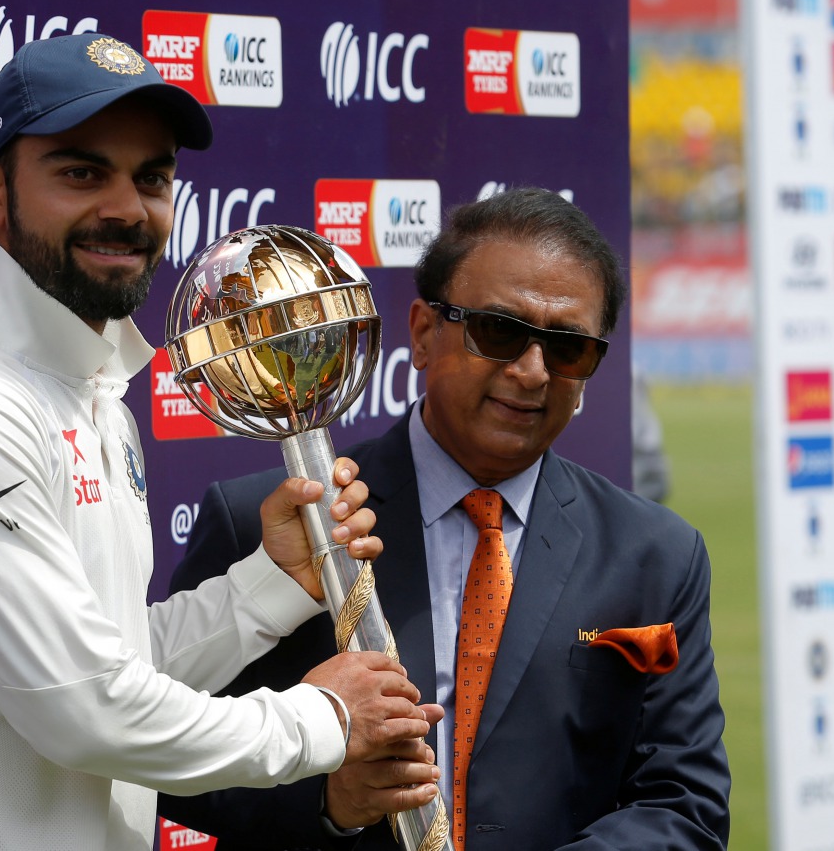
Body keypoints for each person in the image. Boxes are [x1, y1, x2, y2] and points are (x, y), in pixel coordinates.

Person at [0, 33, 442, 851]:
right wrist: (321, 716)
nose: (125, 206)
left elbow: (111, 661)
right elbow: (88, 708)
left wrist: (271, 583)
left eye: (150, 177)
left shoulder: (93, 389)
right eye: (81, 172)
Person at [161, 187, 731, 850]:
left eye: (568, 347)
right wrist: (327, 799)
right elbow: (165, 751)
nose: (531, 370)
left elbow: (683, 800)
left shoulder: (654, 554)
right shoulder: (280, 524)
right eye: (499, 331)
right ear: (425, 333)